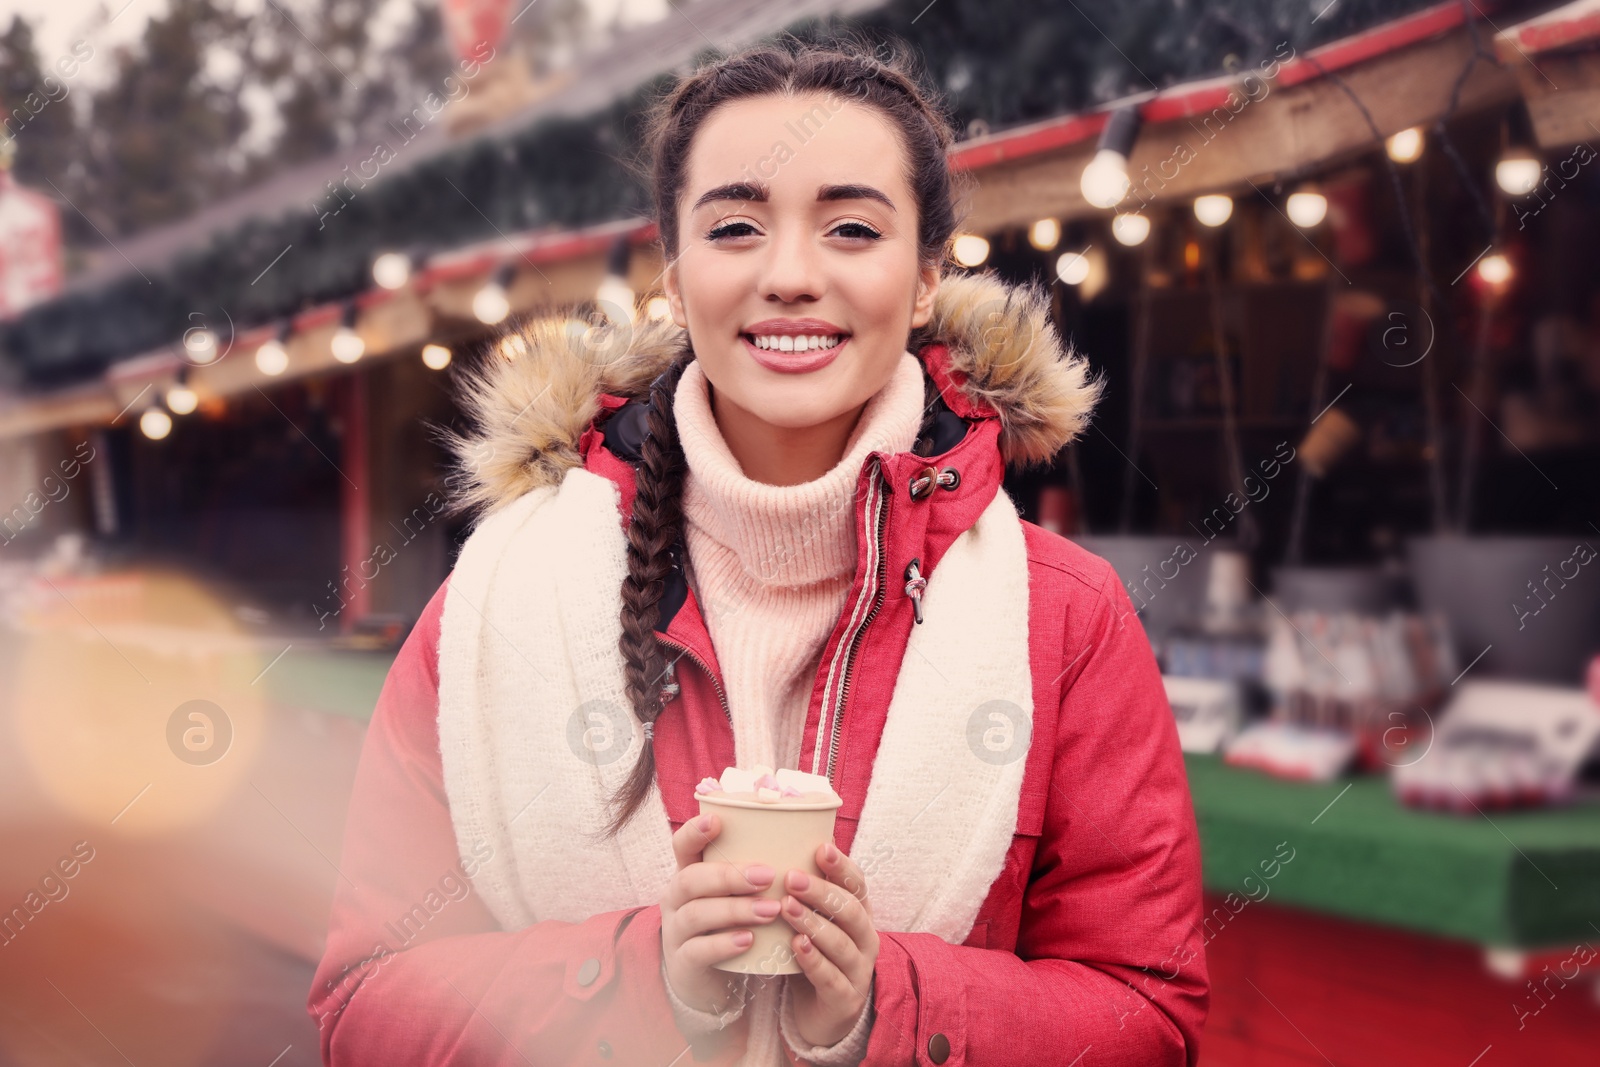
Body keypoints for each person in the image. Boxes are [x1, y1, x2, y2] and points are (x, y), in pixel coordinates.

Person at [308, 32, 1208, 1067]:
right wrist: (637, 983)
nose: (789, 274)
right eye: (735, 226)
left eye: (851, 229)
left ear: (922, 282)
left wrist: (889, 1006)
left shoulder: (1064, 617)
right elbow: (364, 1002)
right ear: (677, 273)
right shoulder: (499, 600)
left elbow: (1149, 1015)